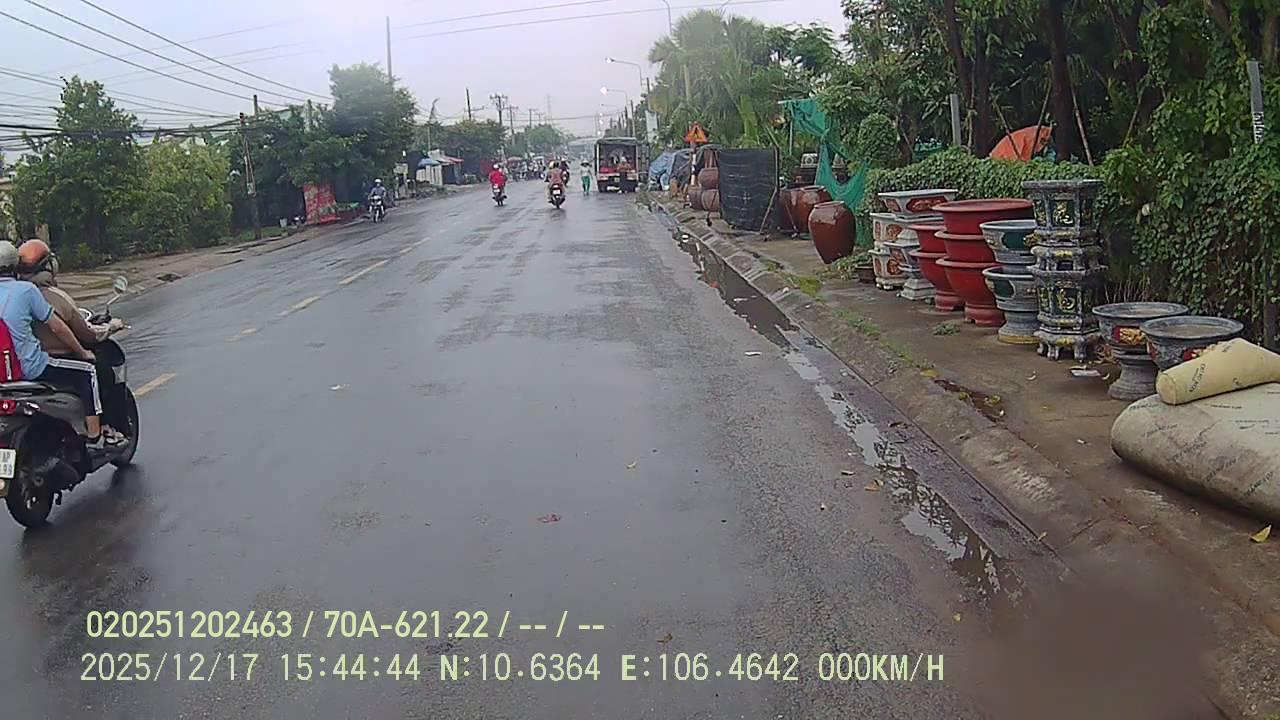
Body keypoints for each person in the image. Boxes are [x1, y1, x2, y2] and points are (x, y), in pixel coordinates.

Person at [0, 241, 120, 449]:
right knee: (89, 371)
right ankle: (95, 435)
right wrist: (82, 352)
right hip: (30, 368)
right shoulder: (28, 291)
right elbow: (58, 327)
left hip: (3, 374)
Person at [18, 240, 123, 405]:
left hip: (18, 365)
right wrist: (111, 327)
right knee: (98, 374)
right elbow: (82, 333)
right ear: (50, 265)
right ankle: (98, 421)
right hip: (50, 360)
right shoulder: (50, 296)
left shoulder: (12, 296)